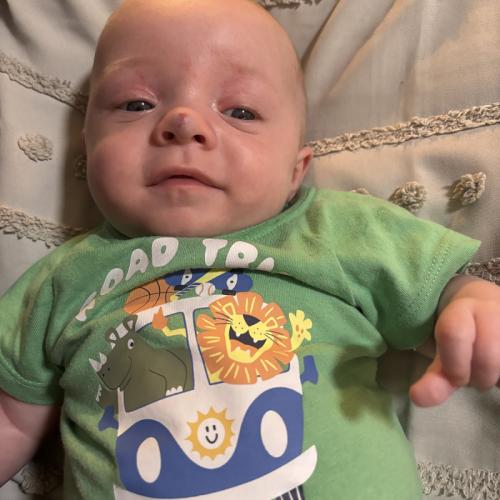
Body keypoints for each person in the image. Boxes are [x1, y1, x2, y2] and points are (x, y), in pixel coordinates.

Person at [0, 0, 499, 498]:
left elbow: (441, 291)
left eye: (240, 111)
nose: (183, 123)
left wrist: (469, 303)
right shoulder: (63, 280)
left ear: (295, 171)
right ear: (87, 145)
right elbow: (14, 420)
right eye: (136, 104)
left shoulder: (333, 232)